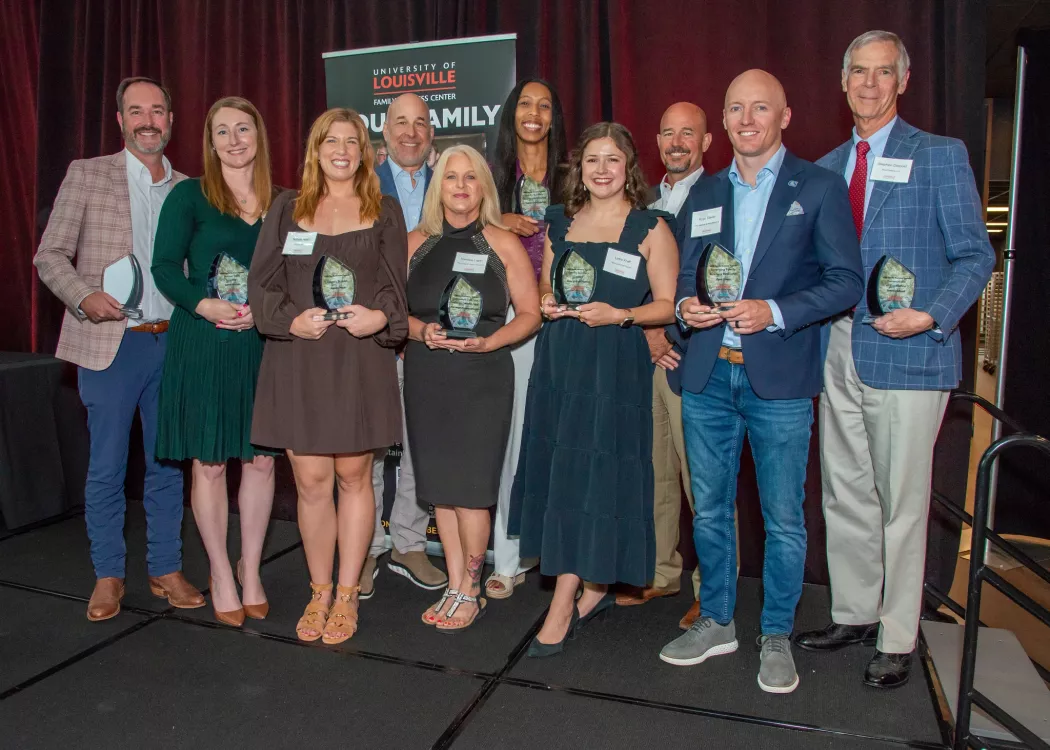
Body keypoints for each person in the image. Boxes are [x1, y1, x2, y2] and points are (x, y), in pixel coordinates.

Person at [794, 31, 995, 689]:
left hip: (909, 348)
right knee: (845, 488)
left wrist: (933, 315)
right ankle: (854, 611)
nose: (870, 84)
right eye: (859, 71)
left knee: (902, 500)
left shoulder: (938, 156)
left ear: (903, 82)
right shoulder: (824, 168)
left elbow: (976, 254)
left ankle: (899, 635)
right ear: (843, 80)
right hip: (838, 345)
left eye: (884, 72)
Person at [658, 70, 863, 694]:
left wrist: (772, 311)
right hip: (708, 376)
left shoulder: (821, 187)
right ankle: (718, 621)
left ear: (786, 116)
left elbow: (846, 282)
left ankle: (776, 634)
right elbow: (691, 272)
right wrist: (686, 309)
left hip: (779, 377)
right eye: (736, 109)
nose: (747, 120)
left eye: (760, 108)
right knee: (712, 512)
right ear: (723, 121)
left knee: (783, 519)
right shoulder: (706, 192)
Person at [34, 77, 205, 621]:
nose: (148, 120)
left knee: (166, 465)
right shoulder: (86, 174)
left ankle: (165, 567)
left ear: (172, 119)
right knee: (106, 467)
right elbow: (50, 255)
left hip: (172, 345)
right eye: (137, 111)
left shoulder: (190, 189)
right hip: (109, 347)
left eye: (158, 110)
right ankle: (108, 574)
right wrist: (85, 296)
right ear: (120, 120)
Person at [510, 122, 679, 657]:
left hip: (614, 365)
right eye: (591, 161)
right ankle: (592, 585)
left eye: (612, 160)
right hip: (561, 361)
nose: (601, 170)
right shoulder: (559, 221)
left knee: (596, 473)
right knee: (564, 474)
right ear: (578, 169)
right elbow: (544, 286)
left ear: (628, 167)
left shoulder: (652, 227)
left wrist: (622, 314)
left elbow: (669, 305)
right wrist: (552, 304)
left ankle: (567, 597)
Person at [248, 108, 408, 644]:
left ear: (365, 151)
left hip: (358, 362)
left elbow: (394, 288)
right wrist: (288, 319)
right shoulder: (287, 209)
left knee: (354, 478)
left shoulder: (383, 209)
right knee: (312, 484)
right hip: (299, 359)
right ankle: (318, 591)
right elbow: (261, 284)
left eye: (352, 141)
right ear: (315, 149)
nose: (341, 150)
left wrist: (380, 317)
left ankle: (347, 595)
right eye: (330, 141)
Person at [151, 96, 277, 627]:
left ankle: (251, 570)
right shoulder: (190, 196)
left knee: (263, 459)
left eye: (242, 129)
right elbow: (162, 267)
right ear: (209, 141)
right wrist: (204, 304)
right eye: (221, 132)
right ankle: (220, 571)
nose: (233, 140)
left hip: (260, 342)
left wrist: (262, 312)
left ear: (258, 136)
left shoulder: (283, 201)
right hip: (204, 340)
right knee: (209, 461)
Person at [405, 145, 540, 630]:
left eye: (470, 178)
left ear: (484, 186)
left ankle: (471, 587)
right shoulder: (413, 241)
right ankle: (455, 585)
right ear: (437, 186)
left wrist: (491, 342)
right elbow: (390, 309)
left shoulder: (502, 242)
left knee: (473, 490)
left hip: (483, 377)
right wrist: (420, 331)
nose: (460, 186)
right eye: (450, 177)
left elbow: (530, 313)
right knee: (442, 487)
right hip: (428, 375)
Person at [617, 102, 711, 626]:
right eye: (669, 133)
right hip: (644, 357)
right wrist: (649, 329)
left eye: (688, 134)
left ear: (706, 141)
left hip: (693, 355)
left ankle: (712, 589)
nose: (677, 142)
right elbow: (634, 278)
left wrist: (666, 329)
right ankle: (661, 571)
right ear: (656, 142)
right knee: (654, 473)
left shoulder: (721, 195)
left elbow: (715, 275)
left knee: (704, 481)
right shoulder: (641, 203)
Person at [486, 77, 568, 600]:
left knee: (560, 440)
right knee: (512, 440)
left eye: (544, 104)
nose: (533, 113)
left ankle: (559, 553)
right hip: (511, 323)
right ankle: (507, 557)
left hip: (565, 322)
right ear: (510, 113)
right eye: (524, 104)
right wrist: (496, 221)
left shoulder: (571, 175)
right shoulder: (491, 176)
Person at [367, 93, 447, 595]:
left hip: (432, 338)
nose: (411, 132)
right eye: (401, 122)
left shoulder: (453, 183)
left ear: (431, 133)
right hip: (373, 337)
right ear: (385, 130)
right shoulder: (360, 184)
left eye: (420, 123)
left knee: (422, 443)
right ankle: (367, 546)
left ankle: (409, 542)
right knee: (371, 444)